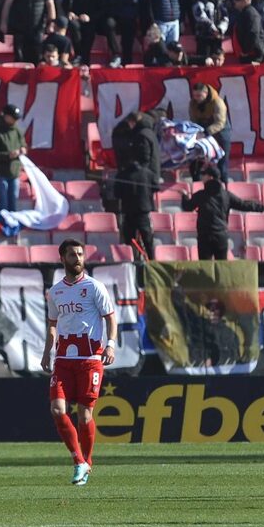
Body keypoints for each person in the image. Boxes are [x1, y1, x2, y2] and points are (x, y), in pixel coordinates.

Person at [40, 239, 118, 486]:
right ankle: (78, 462)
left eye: (80, 254)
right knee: (57, 410)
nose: (77, 258)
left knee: (84, 416)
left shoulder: (95, 287)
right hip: (63, 360)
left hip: (90, 359)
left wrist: (111, 344)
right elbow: (53, 324)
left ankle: (87, 462)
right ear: (62, 258)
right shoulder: (55, 292)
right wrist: (46, 352)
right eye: (72, 254)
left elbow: (110, 318)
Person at [181, 169, 264, 260]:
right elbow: (243, 205)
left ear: (210, 177)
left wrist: (184, 196)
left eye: (204, 175)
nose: (202, 177)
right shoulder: (226, 195)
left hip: (204, 237)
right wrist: (261, 208)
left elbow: (187, 207)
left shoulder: (201, 195)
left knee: (205, 268)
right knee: (221, 267)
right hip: (220, 236)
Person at [111, 110, 160, 257]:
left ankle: (132, 259)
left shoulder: (141, 136)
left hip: (129, 209)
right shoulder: (149, 132)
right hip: (144, 207)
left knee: (130, 237)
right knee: (147, 237)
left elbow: (116, 193)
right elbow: (155, 186)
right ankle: (151, 260)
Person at [1, 0, 54, 65]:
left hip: (37, 28)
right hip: (19, 26)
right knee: (19, 56)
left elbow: (50, 5)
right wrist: (3, 22)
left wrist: (51, 23)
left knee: (36, 56)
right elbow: (7, 4)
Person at [0, 104, 25, 215]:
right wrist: (8, 155)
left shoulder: (18, 131)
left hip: (14, 172)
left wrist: (23, 149)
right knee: (3, 201)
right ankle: (2, 222)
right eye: (13, 118)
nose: (15, 121)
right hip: (1, 173)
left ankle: (12, 225)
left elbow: (23, 144)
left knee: (13, 199)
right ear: (6, 117)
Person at [231, 0, 264, 64]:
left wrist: (246, 51)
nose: (234, 2)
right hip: (246, 55)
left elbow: (253, 33)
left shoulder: (251, 14)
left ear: (246, 0)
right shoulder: (243, 13)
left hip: (253, 56)